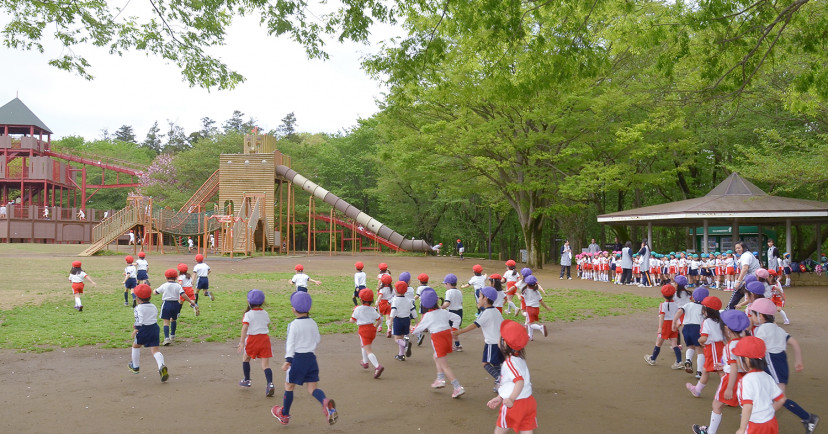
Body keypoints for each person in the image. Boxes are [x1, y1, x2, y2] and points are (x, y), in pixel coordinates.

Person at [748, 298, 820, 433]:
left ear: (761, 316)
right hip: (781, 363)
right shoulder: (778, 329)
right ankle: (807, 418)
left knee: (780, 398)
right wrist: (798, 361)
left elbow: (755, 347)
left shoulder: (762, 330)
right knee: (775, 396)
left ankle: (757, 418)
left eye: (752, 314)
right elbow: (794, 343)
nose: (751, 317)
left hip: (773, 364)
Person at [271, 291, 338, 426]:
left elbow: (290, 343)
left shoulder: (293, 324)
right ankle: (325, 402)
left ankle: (284, 414)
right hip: (311, 358)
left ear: (293, 309)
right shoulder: (313, 323)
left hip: (297, 359)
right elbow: (317, 339)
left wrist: (288, 360)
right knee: (312, 388)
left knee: (289, 386)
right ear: (310, 308)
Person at [691, 310, 751, 434]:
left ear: (727, 329)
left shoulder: (730, 346)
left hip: (731, 379)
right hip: (746, 379)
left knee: (717, 405)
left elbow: (734, 368)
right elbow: (743, 365)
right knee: (747, 406)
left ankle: (710, 432)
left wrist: (729, 388)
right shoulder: (746, 342)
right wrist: (724, 365)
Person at [411, 287, 465, 398]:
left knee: (445, 365)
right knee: (436, 356)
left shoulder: (427, 316)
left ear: (424, 305)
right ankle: (440, 379)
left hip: (438, 339)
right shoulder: (443, 312)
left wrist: (410, 327)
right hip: (447, 337)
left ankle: (457, 387)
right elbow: (457, 318)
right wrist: (454, 330)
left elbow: (417, 330)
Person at [486, 320, 538, 433]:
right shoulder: (519, 359)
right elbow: (510, 384)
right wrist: (500, 397)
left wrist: (510, 399)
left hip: (515, 404)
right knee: (526, 430)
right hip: (528, 402)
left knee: (499, 431)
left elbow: (519, 381)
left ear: (504, 343)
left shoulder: (510, 363)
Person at [453, 286, 504, 392]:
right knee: (496, 363)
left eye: (480, 296)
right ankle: (501, 381)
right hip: (501, 342)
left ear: (485, 299)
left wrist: (459, 332)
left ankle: (500, 379)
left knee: (485, 363)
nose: (478, 299)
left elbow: (474, 325)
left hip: (492, 343)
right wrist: (481, 307)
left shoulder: (486, 313)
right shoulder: (495, 311)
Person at [732, 337, 787, 434]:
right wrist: (767, 412)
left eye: (738, 357)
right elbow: (781, 399)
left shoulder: (746, 381)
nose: (736, 360)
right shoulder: (767, 377)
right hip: (771, 422)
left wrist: (742, 428)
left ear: (747, 360)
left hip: (755, 425)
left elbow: (748, 406)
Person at [128, 284, 169, 382]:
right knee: (155, 350)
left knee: (135, 346)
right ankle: (161, 366)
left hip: (143, 329)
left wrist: (136, 329)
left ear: (137, 299)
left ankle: (135, 366)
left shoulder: (138, 308)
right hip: (154, 328)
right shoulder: (153, 306)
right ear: (150, 297)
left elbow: (140, 320)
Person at [238, 289, 274, 398]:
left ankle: (247, 380)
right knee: (265, 365)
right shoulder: (265, 313)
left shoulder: (248, 314)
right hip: (264, 339)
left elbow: (244, 328)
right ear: (262, 302)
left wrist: (241, 342)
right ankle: (270, 384)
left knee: (246, 358)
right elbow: (267, 325)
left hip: (252, 340)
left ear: (249, 302)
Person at [686, 296, 724, 398]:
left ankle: (727, 391)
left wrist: (699, 340)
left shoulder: (707, 322)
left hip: (713, 349)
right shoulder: (720, 320)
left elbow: (704, 337)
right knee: (706, 370)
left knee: (720, 371)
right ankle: (697, 389)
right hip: (718, 347)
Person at [644, 285, 684, 369]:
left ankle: (653, 358)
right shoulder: (677, 305)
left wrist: (660, 328)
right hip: (673, 325)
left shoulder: (662, 305)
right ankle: (679, 361)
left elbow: (662, 317)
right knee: (674, 344)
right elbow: (680, 315)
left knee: (658, 343)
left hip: (665, 325)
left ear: (663, 295)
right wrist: (677, 325)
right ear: (673, 295)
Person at [154, 268, 198, 345]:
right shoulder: (178, 286)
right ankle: (173, 335)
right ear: (176, 277)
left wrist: (154, 290)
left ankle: (166, 338)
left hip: (166, 304)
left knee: (166, 322)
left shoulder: (164, 285)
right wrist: (191, 302)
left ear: (165, 277)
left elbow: (156, 292)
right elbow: (183, 295)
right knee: (173, 320)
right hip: (176, 304)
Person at [673, 286, 708, 377]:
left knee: (690, 347)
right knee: (700, 350)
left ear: (693, 297)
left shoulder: (688, 305)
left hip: (686, 328)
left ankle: (688, 360)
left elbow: (679, 312)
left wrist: (674, 322)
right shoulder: (704, 308)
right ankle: (699, 372)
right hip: (697, 329)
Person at [350, 288, 383, 378]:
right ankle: (365, 362)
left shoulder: (358, 309)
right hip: (372, 330)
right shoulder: (372, 309)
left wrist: (353, 312)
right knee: (364, 345)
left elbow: (352, 321)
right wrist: (375, 327)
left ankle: (377, 366)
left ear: (360, 300)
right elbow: (379, 319)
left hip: (363, 330)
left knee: (368, 350)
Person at [727, 241, 762, 310]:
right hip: (752, 278)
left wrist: (738, 281)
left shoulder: (746, 256)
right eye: (736, 248)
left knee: (738, 295)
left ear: (743, 247)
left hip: (752, 279)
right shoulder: (747, 255)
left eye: (739, 248)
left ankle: (730, 310)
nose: (737, 250)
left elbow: (745, 268)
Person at [390, 281, 417, 361]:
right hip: (406, 321)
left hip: (398, 320)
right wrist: (416, 321)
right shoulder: (408, 300)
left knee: (397, 339)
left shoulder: (395, 300)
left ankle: (406, 345)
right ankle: (401, 355)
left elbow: (393, 311)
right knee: (401, 338)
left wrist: (390, 321)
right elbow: (413, 311)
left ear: (395, 290)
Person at [522, 276, 550, 340]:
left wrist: (518, 294)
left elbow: (521, 298)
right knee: (530, 322)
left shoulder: (525, 291)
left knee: (530, 324)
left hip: (529, 309)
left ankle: (540, 327)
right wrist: (546, 307)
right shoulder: (537, 292)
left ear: (526, 284)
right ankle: (530, 336)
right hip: (536, 309)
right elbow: (541, 301)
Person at [443, 273, 464, 351]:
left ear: (448, 284)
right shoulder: (459, 292)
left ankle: (448, 345)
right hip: (459, 312)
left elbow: (447, 303)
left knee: (448, 330)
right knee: (454, 330)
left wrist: (440, 307)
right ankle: (457, 345)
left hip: (452, 312)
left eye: (445, 284)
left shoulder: (449, 292)